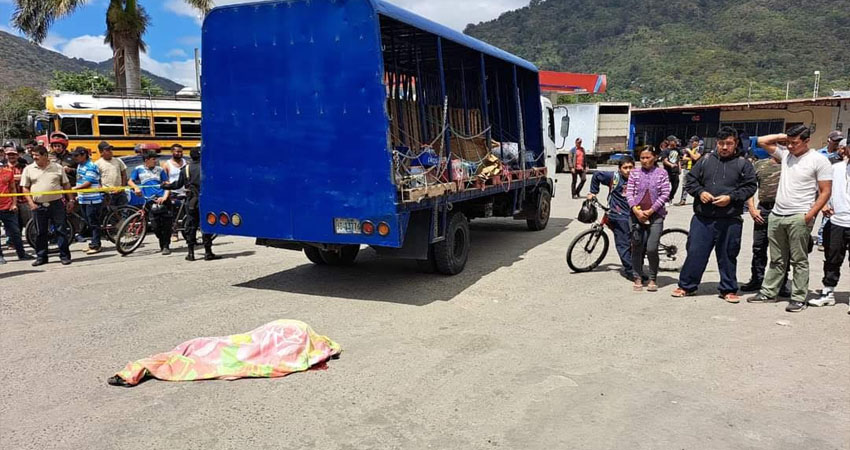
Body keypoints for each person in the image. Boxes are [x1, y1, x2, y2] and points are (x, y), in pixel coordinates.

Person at [748, 125, 832, 312]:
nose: (791, 147)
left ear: (806, 141)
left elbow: (825, 191)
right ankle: (769, 292)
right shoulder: (786, 155)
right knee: (777, 258)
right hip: (777, 215)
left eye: (795, 143)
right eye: (788, 143)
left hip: (799, 215)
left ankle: (798, 297)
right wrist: (783, 137)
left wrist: (810, 215)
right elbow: (761, 141)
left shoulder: (818, 160)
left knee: (799, 260)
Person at [671, 127, 757, 302]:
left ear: (735, 143)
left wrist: (731, 197)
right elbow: (690, 181)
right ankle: (687, 286)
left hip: (730, 219)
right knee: (695, 252)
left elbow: (750, 186)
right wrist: (700, 192)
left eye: (729, 143)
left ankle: (728, 289)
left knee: (728, 255)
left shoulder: (743, 164)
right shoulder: (705, 160)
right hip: (703, 218)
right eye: (721, 143)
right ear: (717, 143)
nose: (725, 147)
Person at [739, 155, 791, 297]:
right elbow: (750, 187)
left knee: (783, 249)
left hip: (784, 210)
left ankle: (781, 283)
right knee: (759, 247)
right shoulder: (760, 165)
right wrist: (752, 209)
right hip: (764, 209)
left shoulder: (792, 164)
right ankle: (757, 278)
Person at [161, 147, 221, 261]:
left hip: (192, 201)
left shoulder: (186, 169)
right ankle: (208, 252)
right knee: (206, 226)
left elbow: (177, 185)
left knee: (191, 226)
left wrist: (165, 185)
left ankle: (191, 253)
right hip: (206, 201)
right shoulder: (208, 167)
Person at [810, 140, 849, 312]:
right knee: (832, 259)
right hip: (836, 222)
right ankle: (827, 294)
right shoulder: (836, 168)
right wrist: (823, 205)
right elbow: (821, 187)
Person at [626, 146, 670, 292]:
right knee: (637, 246)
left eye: (647, 157)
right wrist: (635, 210)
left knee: (651, 248)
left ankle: (652, 278)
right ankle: (637, 276)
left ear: (655, 157)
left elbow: (665, 194)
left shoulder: (662, 173)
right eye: (642, 158)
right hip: (636, 215)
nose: (644, 161)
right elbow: (629, 193)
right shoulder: (634, 173)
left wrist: (651, 210)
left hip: (656, 215)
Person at [20, 145, 74, 266]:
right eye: (33, 155)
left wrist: (71, 200)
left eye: (37, 155)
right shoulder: (28, 169)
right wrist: (31, 203)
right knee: (40, 232)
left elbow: (66, 184)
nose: (34, 157)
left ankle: (64, 256)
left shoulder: (57, 167)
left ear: (45, 155)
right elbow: (25, 188)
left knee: (61, 230)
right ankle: (41, 257)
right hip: (38, 205)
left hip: (56, 204)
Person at [588, 157, 635, 279]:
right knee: (624, 241)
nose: (628, 170)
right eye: (625, 168)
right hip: (618, 214)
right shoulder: (614, 177)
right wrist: (593, 192)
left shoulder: (638, 179)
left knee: (623, 243)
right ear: (619, 169)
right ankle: (631, 268)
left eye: (631, 167)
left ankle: (631, 270)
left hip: (633, 214)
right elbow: (597, 175)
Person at [128, 151, 173, 255]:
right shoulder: (138, 169)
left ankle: (165, 246)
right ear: (146, 160)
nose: (155, 161)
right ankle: (161, 240)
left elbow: (167, 184)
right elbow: (130, 181)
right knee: (155, 226)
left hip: (163, 200)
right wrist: (136, 188)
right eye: (153, 159)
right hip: (149, 201)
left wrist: (165, 197)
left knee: (166, 225)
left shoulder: (160, 170)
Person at [0, 156, 34, 264]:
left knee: (15, 232)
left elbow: (13, 189)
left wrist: (14, 204)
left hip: (8, 207)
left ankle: (22, 254)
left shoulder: (8, 172)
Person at [71, 147, 104, 255]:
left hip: (92, 200)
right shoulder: (80, 165)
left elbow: (88, 182)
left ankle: (96, 245)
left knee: (94, 223)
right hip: (83, 199)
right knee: (88, 222)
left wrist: (75, 189)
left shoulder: (91, 166)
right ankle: (93, 243)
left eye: (76, 155)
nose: (74, 158)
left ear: (84, 155)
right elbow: (80, 180)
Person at [815, 130, 845, 251]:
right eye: (836, 141)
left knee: (829, 214)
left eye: (840, 141)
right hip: (818, 188)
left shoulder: (841, 159)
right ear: (829, 140)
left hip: (833, 189)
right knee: (812, 214)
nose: (837, 144)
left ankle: (823, 238)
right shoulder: (820, 154)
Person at [94, 141, 128, 207]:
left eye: (110, 149)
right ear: (101, 152)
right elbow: (96, 179)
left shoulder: (118, 161)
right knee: (110, 213)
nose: (110, 151)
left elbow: (124, 175)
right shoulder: (97, 164)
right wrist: (101, 189)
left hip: (120, 192)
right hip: (107, 194)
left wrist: (122, 187)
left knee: (124, 211)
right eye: (107, 150)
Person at [678, 136, 703, 205]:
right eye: (691, 142)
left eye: (693, 142)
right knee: (685, 184)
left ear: (697, 142)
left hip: (696, 169)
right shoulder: (690, 148)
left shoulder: (700, 149)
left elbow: (696, 157)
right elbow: (684, 158)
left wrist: (689, 152)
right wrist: (691, 157)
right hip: (687, 168)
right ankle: (683, 199)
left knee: (697, 183)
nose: (691, 143)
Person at [661, 136, 681, 204]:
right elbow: (664, 161)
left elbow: (678, 160)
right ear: (669, 142)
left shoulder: (677, 150)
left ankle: (670, 198)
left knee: (675, 186)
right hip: (667, 171)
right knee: (665, 187)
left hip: (675, 171)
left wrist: (679, 168)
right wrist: (671, 165)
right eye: (674, 141)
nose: (675, 142)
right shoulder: (665, 151)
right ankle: (665, 199)